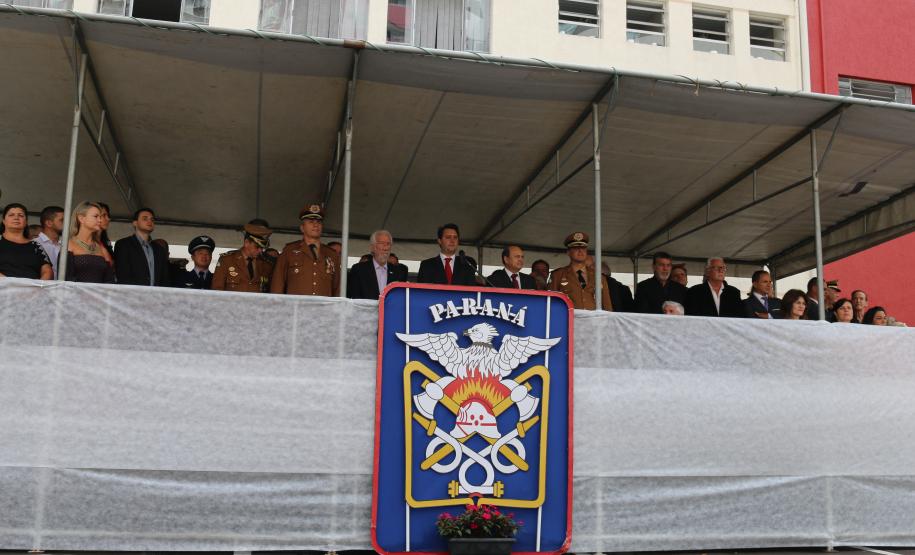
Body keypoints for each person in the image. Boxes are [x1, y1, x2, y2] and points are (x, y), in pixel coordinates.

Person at [271, 204, 341, 296]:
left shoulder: (331, 254)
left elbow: (337, 289)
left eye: (319, 222)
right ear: (302, 228)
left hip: (324, 309)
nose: (316, 225)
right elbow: (277, 285)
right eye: (311, 221)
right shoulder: (289, 251)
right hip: (297, 309)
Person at [548, 232, 612, 311]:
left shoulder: (598, 276)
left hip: (594, 321)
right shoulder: (558, 275)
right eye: (575, 248)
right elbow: (550, 303)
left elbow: (607, 304)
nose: (580, 251)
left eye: (583, 248)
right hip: (569, 321)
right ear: (568, 252)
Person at [114, 207, 169, 286]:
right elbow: (123, 276)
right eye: (145, 218)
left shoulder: (159, 249)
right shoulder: (123, 245)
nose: (149, 221)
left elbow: (164, 278)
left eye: (152, 219)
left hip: (156, 296)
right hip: (132, 295)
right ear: (135, 223)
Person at [213, 223, 274, 293]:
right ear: (246, 243)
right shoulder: (227, 260)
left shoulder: (266, 264)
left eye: (262, 248)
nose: (260, 250)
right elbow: (216, 290)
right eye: (257, 247)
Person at [347, 230, 408, 300]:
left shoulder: (398, 272)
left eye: (388, 244)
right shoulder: (359, 269)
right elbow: (353, 296)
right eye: (382, 243)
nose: (386, 248)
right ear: (372, 247)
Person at [64, 201, 115, 283]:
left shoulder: (102, 249)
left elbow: (109, 280)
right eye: (96, 216)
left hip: (99, 294)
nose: (100, 220)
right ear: (81, 218)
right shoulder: (68, 245)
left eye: (100, 216)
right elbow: (66, 279)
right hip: (75, 294)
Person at [0, 203, 52, 280]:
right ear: (3, 221)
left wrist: (37, 288)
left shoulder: (36, 245)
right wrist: (10, 284)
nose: (16, 218)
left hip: (34, 290)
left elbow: (47, 271)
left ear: (26, 221)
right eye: (11, 215)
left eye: (21, 215)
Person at [34, 205, 64, 278]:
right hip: (41, 287)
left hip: (63, 288)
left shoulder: (66, 245)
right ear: (49, 223)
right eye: (62, 220)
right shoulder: (34, 244)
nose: (67, 223)